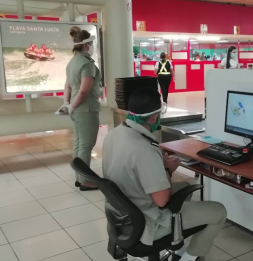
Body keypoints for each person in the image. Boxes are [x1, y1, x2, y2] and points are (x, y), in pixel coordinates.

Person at [102, 88, 227, 261]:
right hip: (146, 222)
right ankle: (188, 259)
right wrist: (167, 170)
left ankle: (176, 243)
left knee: (185, 187)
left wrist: (157, 166)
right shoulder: (145, 148)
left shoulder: (113, 134)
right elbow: (161, 200)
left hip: (124, 214)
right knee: (219, 212)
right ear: (154, 117)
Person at [57, 26, 101, 191]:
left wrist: (67, 104)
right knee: (86, 145)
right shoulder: (87, 63)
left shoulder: (72, 62)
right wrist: (73, 106)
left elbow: (67, 86)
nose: (92, 47)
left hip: (76, 110)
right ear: (85, 45)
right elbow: (84, 90)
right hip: (86, 109)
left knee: (78, 144)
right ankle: (84, 181)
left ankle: (79, 177)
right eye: (91, 43)